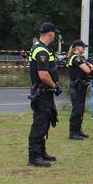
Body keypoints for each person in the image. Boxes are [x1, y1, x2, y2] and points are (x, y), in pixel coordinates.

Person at [28, 23, 62, 167]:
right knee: (40, 124)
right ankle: (34, 157)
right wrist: (55, 86)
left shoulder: (40, 48)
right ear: (50, 33)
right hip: (42, 92)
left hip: (44, 92)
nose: (55, 35)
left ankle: (41, 152)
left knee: (45, 123)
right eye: (54, 33)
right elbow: (43, 74)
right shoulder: (41, 50)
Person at [66, 40, 92, 140]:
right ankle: (73, 132)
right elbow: (87, 70)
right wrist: (90, 66)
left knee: (80, 110)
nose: (84, 49)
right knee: (77, 110)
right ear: (77, 47)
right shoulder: (76, 58)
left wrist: (88, 66)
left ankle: (78, 130)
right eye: (83, 47)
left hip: (80, 86)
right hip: (77, 86)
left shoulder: (80, 58)